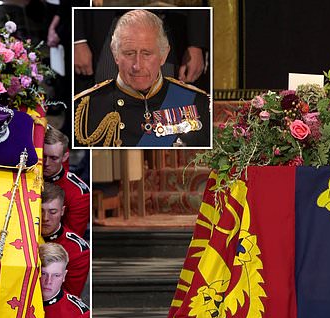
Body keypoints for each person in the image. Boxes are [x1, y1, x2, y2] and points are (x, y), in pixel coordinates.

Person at [73, 9, 211, 147]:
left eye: (147, 54)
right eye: (129, 53)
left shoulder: (195, 102)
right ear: (115, 54)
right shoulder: (85, 110)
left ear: (164, 55)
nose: (137, 66)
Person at [41, 182, 90, 297]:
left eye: (52, 212)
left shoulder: (77, 250)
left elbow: (70, 295)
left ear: (62, 211)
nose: (45, 218)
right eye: (41, 211)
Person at [43, 127, 90, 237]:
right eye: (43, 156)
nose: (46, 163)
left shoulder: (78, 193)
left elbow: (72, 235)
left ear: (64, 157)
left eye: (53, 158)